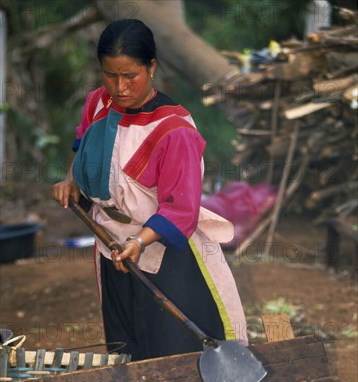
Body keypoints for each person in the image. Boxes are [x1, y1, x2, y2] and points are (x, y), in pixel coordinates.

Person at [52, 19, 247, 361]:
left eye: (131, 76)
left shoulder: (173, 130)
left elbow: (180, 210)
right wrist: (71, 179)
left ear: (152, 66)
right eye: (110, 75)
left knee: (171, 352)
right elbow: (83, 144)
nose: (120, 87)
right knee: (126, 344)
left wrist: (138, 242)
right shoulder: (98, 104)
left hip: (166, 253)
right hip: (109, 241)